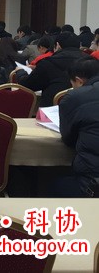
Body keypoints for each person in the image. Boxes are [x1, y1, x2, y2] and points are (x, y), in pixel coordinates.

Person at [50, 57, 99, 197]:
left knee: (52, 185)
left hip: (92, 183)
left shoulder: (75, 97)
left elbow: (68, 140)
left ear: (79, 81)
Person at [17, 32, 86, 107]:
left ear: (58, 45)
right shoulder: (90, 62)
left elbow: (28, 85)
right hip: (84, 108)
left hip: (52, 109)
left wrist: (21, 72)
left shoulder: (48, 63)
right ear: (79, 45)